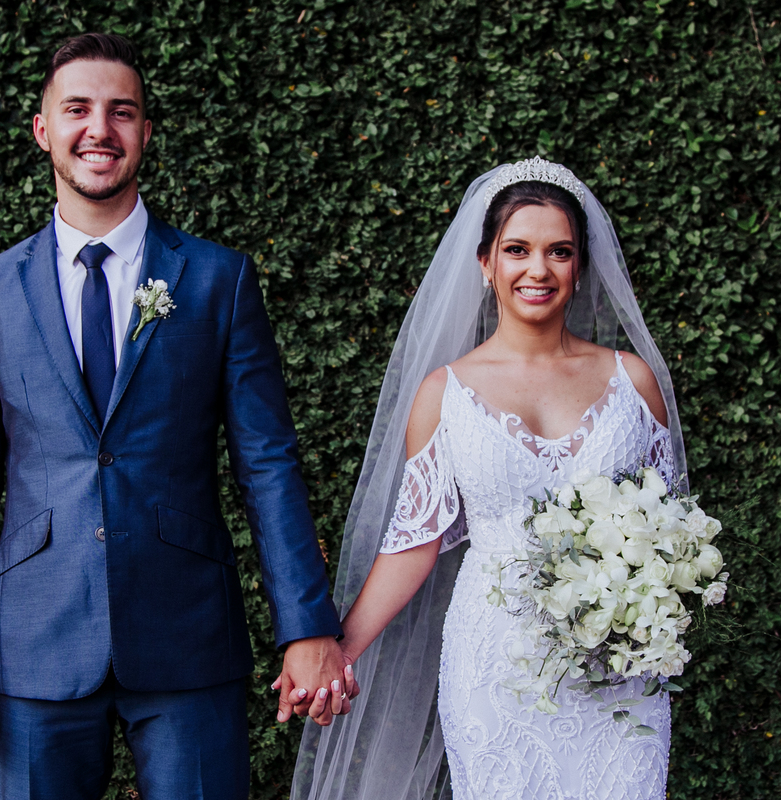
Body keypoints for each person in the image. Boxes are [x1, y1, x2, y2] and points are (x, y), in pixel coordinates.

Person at [0, 32, 355, 800]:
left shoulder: (217, 279)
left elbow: (267, 463)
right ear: (43, 129)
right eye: (77, 109)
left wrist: (308, 627)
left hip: (187, 636)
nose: (99, 129)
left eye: (122, 111)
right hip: (37, 644)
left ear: (145, 131)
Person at [291, 158, 688, 800]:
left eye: (560, 251)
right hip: (494, 665)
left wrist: (648, 606)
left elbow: (670, 533)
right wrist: (340, 650)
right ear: (485, 264)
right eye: (517, 249)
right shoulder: (444, 394)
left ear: (579, 266)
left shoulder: (632, 382)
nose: (539, 269)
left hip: (615, 671)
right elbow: (413, 542)